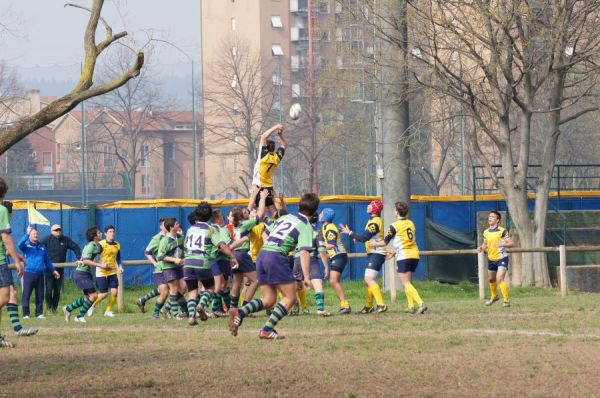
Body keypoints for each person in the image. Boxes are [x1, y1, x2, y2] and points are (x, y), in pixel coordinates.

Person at [229, 192, 319, 340]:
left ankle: (240, 311)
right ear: (315, 211)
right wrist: (307, 276)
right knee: (290, 298)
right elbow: (304, 252)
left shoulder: (285, 218)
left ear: (299, 205)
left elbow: (267, 234)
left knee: (269, 299)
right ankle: (266, 330)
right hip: (277, 257)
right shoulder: (306, 226)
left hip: (263, 255)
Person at [183, 203, 238, 326]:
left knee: (192, 292)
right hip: (202, 262)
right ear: (209, 216)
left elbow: (185, 248)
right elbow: (222, 246)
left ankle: (192, 317)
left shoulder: (190, 229)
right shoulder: (211, 229)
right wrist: (232, 256)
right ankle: (202, 305)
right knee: (211, 288)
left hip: (188, 263)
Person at [372, 201, 427, 314]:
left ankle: (421, 304)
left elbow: (384, 242)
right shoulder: (410, 223)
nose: (393, 211)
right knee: (408, 282)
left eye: (394, 210)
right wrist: (395, 251)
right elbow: (406, 241)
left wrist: (373, 244)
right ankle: (411, 306)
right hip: (414, 254)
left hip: (404, 256)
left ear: (397, 212)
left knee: (405, 283)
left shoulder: (394, 226)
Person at [340, 199, 388, 314]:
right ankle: (368, 306)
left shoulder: (374, 222)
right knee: (367, 281)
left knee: (369, 279)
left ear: (375, 209)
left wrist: (350, 233)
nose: (368, 206)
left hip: (377, 253)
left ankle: (381, 305)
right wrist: (357, 237)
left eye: (371, 205)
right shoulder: (373, 221)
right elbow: (366, 237)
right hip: (374, 253)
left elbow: (364, 238)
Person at [2, 200, 37, 343]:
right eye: (12, 213)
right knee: (7, 296)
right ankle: (17, 329)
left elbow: (7, 249)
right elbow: (6, 241)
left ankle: (17, 328)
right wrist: (18, 261)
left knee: (11, 294)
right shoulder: (3, 215)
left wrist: (18, 257)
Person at [63, 227, 112, 323]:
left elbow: (94, 259)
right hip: (81, 273)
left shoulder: (97, 246)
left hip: (86, 273)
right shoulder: (91, 246)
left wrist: (104, 265)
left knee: (87, 298)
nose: (101, 233)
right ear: (94, 236)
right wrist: (101, 265)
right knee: (93, 296)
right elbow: (85, 260)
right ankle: (79, 316)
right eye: (99, 233)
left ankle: (68, 309)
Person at [293, 213, 331, 316]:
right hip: (311, 259)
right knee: (318, 284)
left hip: (297, 259)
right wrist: (326, 267)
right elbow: (322, 251)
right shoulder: (317, 232)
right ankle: (320, 309)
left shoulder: (299, 230)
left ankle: (293, 307)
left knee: (294, 287)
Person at [18, 226, 60, 319]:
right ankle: (26, 314)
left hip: (40, 274)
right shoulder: (26, 246)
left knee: (40, 294)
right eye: (34, 234)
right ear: (30, 236)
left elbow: (47, 261)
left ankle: (39, 313)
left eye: (37, 234)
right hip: (29, 273)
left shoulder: (42, 247)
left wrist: (53, 270)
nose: (36, 235)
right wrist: (27, 234)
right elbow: (19, 244)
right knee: (26, 294)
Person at [249, 124, 287, 216]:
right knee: (272, 210)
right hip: (269, 186)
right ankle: (278, 222)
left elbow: (263, 136)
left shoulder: (263, 155)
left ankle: (261, 226)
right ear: (274, 149)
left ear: (265, 147)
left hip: (259, 185)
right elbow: (284, 144)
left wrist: (276, 127)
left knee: (258, 211)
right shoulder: (277, 157)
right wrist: (280, 135)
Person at [478, 210, 514, 307]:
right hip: (491, 259)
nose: (490, 218)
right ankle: (494, 296)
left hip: (502, 258)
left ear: (497, 220)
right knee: (491, 279)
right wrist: (481, 248)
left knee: (500, 278)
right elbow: (485, 244)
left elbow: (511, 243)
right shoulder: (486, 232)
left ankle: (506, 301)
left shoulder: (502, 231)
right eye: (489, 216)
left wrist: (501, 244)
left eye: (493, 216)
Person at [42, 224, 81, 313]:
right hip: (49, 269)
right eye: (56, 230)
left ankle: (54, 309)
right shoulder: (46, 239)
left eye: (59, 229)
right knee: (48, 289)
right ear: (51, 231)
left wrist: (79, 258)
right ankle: (48, 308)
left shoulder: (65, 239)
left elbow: (75, 247)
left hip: (60, 268)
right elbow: (38, 248)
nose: (58, 231)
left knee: (57, 290)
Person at [320, 208, 351, 314]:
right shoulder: (324, 227)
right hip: (337, 256)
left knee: (333, 281)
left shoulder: (330, 228)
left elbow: (331, 245)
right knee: (334, 282)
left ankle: (345, 306)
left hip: (339, 255)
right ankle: (344, 305)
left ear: (325, 216)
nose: (320, 215)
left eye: (322, 213)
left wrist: (320, 245)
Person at [87, 225, 123, 317]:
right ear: (106, 233)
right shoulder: (101, 244)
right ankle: (91, 306)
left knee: (114, 292)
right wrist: (100, 264)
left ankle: (108, 311)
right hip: (101, 272)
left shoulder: (117, 245)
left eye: (113, 231)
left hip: (112, 271)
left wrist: (120, 266)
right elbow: (94, 256)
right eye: (110, 232)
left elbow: (118, 258)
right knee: (103, 294)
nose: (112, 233)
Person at [156, 218, 187, 319]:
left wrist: (184, 259)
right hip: (168, 268)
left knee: (182, 288)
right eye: (177, 224)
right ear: (171, 227)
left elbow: (184, 250)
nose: (179, 224)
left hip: (179, 268)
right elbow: (160, 257)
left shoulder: (180, 238)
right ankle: (176, 314)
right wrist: (174, 260)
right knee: (173, 290)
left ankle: (166, 309)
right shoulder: (164, 240)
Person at [136, 218, 168, 317]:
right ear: (161, 226)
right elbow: (147, 252)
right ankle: (157, 313)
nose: (166, 226)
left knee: (171, 290)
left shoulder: (172, 237)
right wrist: (154, 263)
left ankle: (143, 300)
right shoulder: (157, 238)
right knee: (165, 291)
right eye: (164, 225)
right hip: (161, 269)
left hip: (171, 268)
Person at [210, 210, 233, 317]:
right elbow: (224, 245)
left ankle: (227, 307)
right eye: (222, 217)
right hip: (219, 259)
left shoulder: (210, 229)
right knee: (222, 285)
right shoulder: (221, 230)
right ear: (218, 219)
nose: (223, 219)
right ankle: (216, 308)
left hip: (215, 259)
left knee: (225, 285)